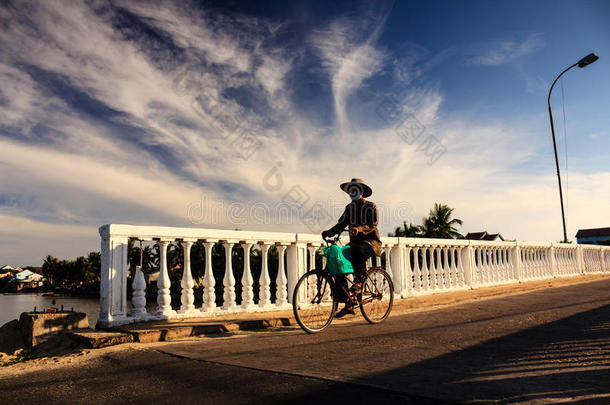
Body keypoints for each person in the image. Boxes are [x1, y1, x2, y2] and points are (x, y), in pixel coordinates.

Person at [321, 178, 381, 318]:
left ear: (361, 192)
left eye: (355, 190)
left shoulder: (371, 206)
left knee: (358, 249)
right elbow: (340, 225)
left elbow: (373, 224)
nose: (352, 192)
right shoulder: (349, 208)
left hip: (370, 243)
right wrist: (328, 232)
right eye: (350, 190)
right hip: (354, 244)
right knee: (337, 263)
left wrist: (359, 229)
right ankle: (348, 303)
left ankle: (359, 282)